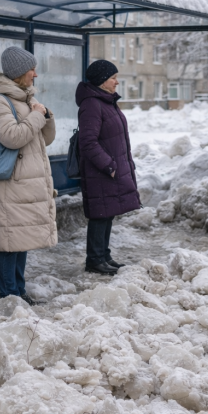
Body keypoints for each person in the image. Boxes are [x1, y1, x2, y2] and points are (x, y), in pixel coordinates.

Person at [0, 46, 57, 305]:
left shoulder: (23, 99)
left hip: (22, 184)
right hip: (8, 184)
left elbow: (45, 139)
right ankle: (9, 294)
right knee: (9, 242)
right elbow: (13, 138)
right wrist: (36, 116)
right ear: (18, 73)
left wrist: (45, 115)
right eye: (31, 69)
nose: (35, 74)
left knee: (20, 240)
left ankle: (19, 290)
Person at [75, 60, 140, 275]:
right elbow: (88, 142)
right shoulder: (92, 104)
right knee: (100, 214)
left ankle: (103, 255)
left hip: (109, 169)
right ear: (102, 81)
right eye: (113, 78)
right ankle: (94, 259)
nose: (117, 82)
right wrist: (109, 166)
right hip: (100, 171)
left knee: (107, 212)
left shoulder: (105, 101)